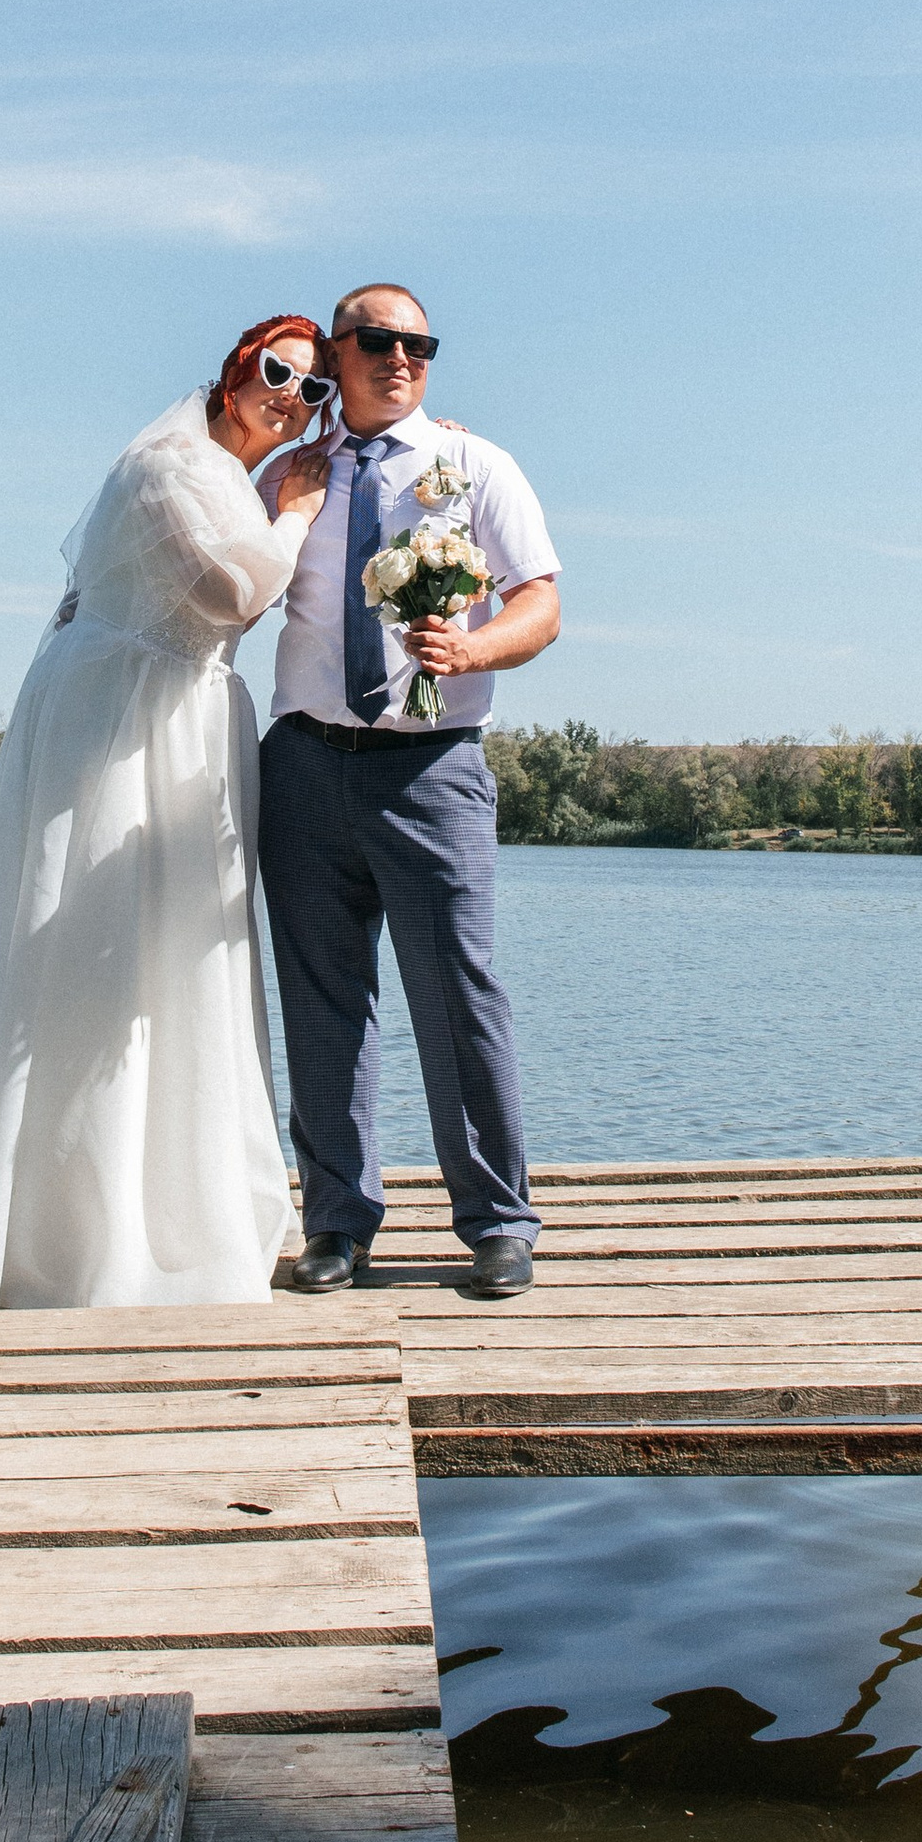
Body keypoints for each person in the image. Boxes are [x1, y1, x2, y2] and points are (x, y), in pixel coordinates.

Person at [0, 319, 336, 1310]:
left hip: (181, 721)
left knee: (175, 962)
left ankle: (183, 1212)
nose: (292, 394)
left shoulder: (222, 474)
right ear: (234, 370)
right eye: (276, 370)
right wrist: (296, 511)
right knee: (98, 959)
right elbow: (233, 591)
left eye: (312, 388)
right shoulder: (170, 465)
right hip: (119, 727)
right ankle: (80, 1237)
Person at [257, 282, 561, 1299]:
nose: (402, 357)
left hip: (430, 767)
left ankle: (496, 1221)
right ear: (335, 356)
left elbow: (543, 602)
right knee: (321, 1003)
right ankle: (337, 1223)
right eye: (379, 341)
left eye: (420, 344)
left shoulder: (474, 465)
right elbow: (228, 572)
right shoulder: (297, 473)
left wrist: (471, 644)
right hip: (301, 764)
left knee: (458, 995)